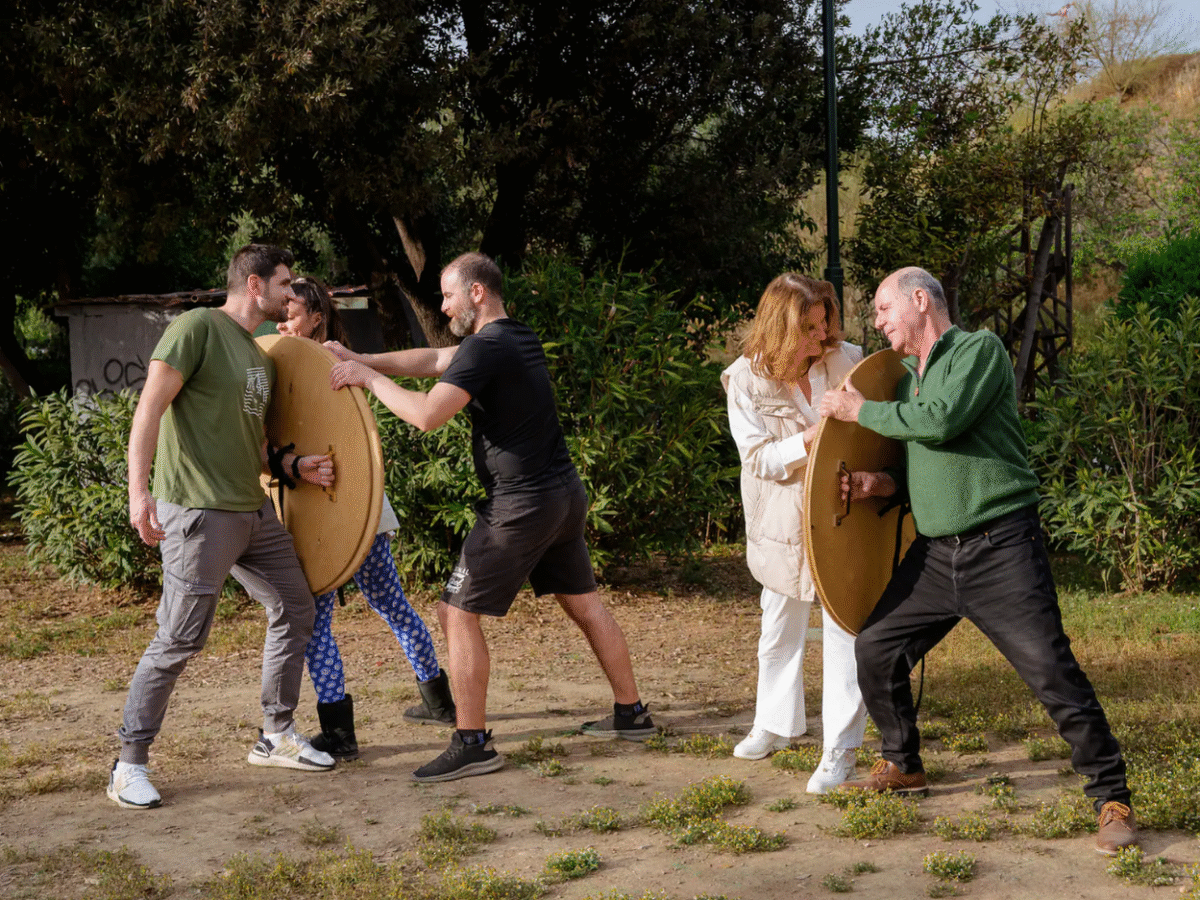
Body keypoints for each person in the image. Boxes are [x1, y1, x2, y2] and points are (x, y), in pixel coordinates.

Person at [817, 266, 1137, 855]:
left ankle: (1110, 796)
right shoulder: (910, 378)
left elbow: (941, 422)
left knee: (1051, 671)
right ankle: (903, 763)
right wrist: (878, 484)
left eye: (885, 309)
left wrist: (857, 410)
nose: (879, 322)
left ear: (920, 300)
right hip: (938, 556)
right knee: (876, 646)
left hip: (1002, 548)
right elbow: (927, 465)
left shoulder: (977, 351)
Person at [326, 251, 655, 783]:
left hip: (521, 504)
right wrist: (360, 355)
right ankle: (631, 713)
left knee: (457, 612)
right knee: (585, 604)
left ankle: (473, 742)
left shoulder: (485, 346)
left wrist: (366, 379)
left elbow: (427, 415)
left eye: (448, 294)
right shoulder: (512, 337)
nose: (442, 303)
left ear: (477, 292)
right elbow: (435, 361)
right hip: (562, 494)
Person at [110, 244, 337, 810]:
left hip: (252, 512)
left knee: (295, 606)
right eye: (285, 283)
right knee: (181, 637)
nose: (293, 293)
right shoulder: (198, 329)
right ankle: (128, 763)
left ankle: (276, 735)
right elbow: (150, 409)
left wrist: (291, 465)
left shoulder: (257, 354)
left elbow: (252, 442)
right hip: (198, 510)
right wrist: (140, 493)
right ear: (254, 285)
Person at [276, 277, 456, 760]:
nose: (281, 319)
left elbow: (349, 442)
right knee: (383, 606)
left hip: (349, 508)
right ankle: (437, 699)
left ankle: (341, 732)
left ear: (316, 318)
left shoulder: (332, 364)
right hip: (335, 509)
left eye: (289, 311)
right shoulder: (288, 363)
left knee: (330, 619)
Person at [720, 273, 869, 794]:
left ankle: (840, 750)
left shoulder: (846, 359)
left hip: (842, 515)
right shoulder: (744, 379)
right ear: (780, 327)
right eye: (808, 328)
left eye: (824, 325)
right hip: (780, 521)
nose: (819, 339)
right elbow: (758, 458)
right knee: (778, 624)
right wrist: (813, 438)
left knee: (842, 628)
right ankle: (775, 724)